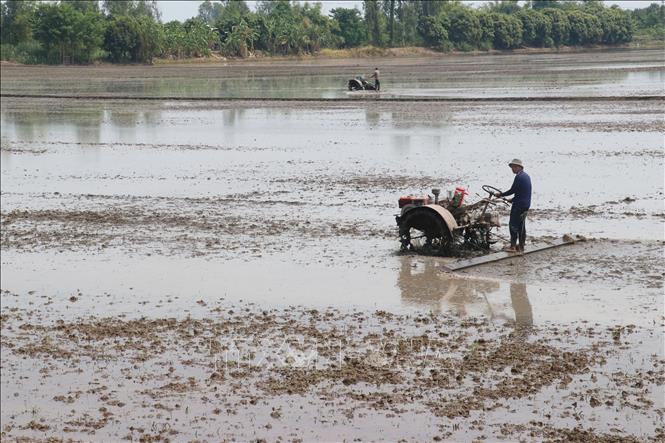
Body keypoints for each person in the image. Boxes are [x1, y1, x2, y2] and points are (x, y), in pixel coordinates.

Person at [494, 159, 531, 253]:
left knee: (513, 225)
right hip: (525, 204)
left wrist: (500, 194)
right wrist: (512, 200)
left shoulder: (519, 177)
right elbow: (521, 192)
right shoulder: (526, 176)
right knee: (521, 225)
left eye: (514, 167)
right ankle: (521, 246)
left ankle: (513, 246)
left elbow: (513, 190)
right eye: (512, 167)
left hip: (519, 205)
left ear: (519, 167)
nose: (512, 169)